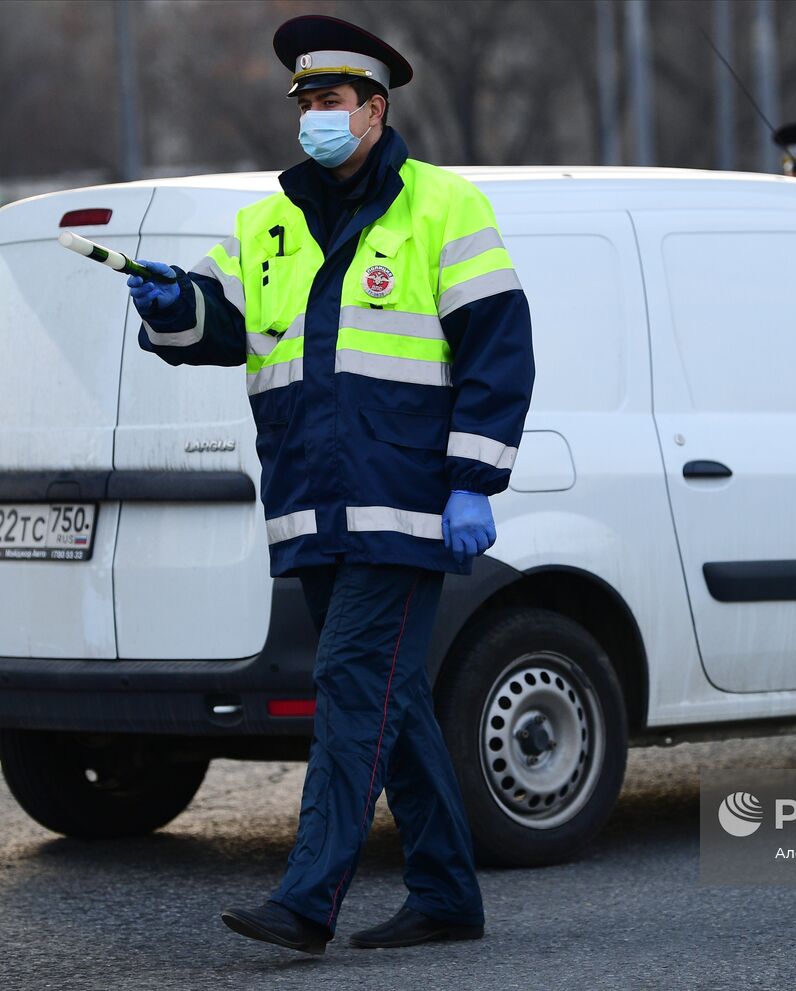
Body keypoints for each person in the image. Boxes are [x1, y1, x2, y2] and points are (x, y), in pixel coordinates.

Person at [124, 14, 534, 954]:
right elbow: (224, 327)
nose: (315, 116)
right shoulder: (264, 222)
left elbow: (498, 349)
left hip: (404, 506)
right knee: (397, 705)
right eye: (305, 102)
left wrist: (474, 481)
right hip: (309, 503)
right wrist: (171, 307)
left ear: (376, 110)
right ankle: (446, 894)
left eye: (332, 101)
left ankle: (308, 901)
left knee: (353, 686)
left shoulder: (443, 206)